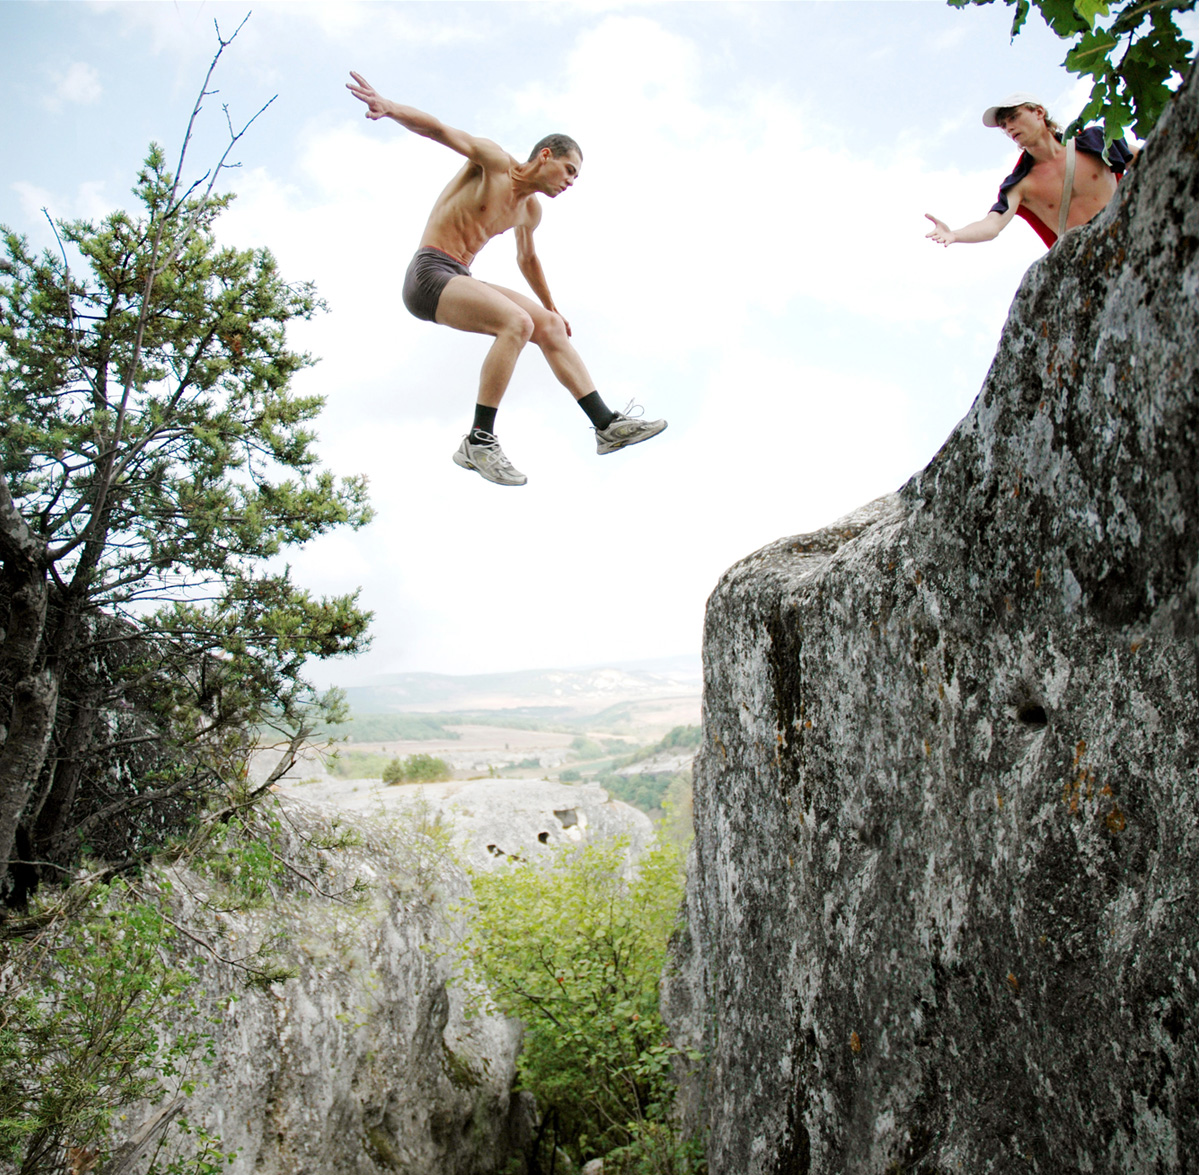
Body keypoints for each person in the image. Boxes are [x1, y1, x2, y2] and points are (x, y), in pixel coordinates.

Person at [346, 71, 666, 487]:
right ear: (545, 155)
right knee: (516, 323)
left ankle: (606, 425)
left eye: (576, 177)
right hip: (428, 273)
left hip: (459, 275)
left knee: (546, 325)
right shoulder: (494, 164)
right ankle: (479, 441)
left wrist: (553, 307)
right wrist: (390, 108)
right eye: (568, 170)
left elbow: (527, 258)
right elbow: (438, 130)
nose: (571, 182)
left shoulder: (530, 212)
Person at [925, 92, 1134, 251]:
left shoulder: (1096, 141)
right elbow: (993, 224)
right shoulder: (1020, 183)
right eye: (1004, 125)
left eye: (1014, 117)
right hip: (1085, 257)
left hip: (1129, 230)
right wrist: (954, 234)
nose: (1009, 128)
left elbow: (1144, 160)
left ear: (1039, 112)